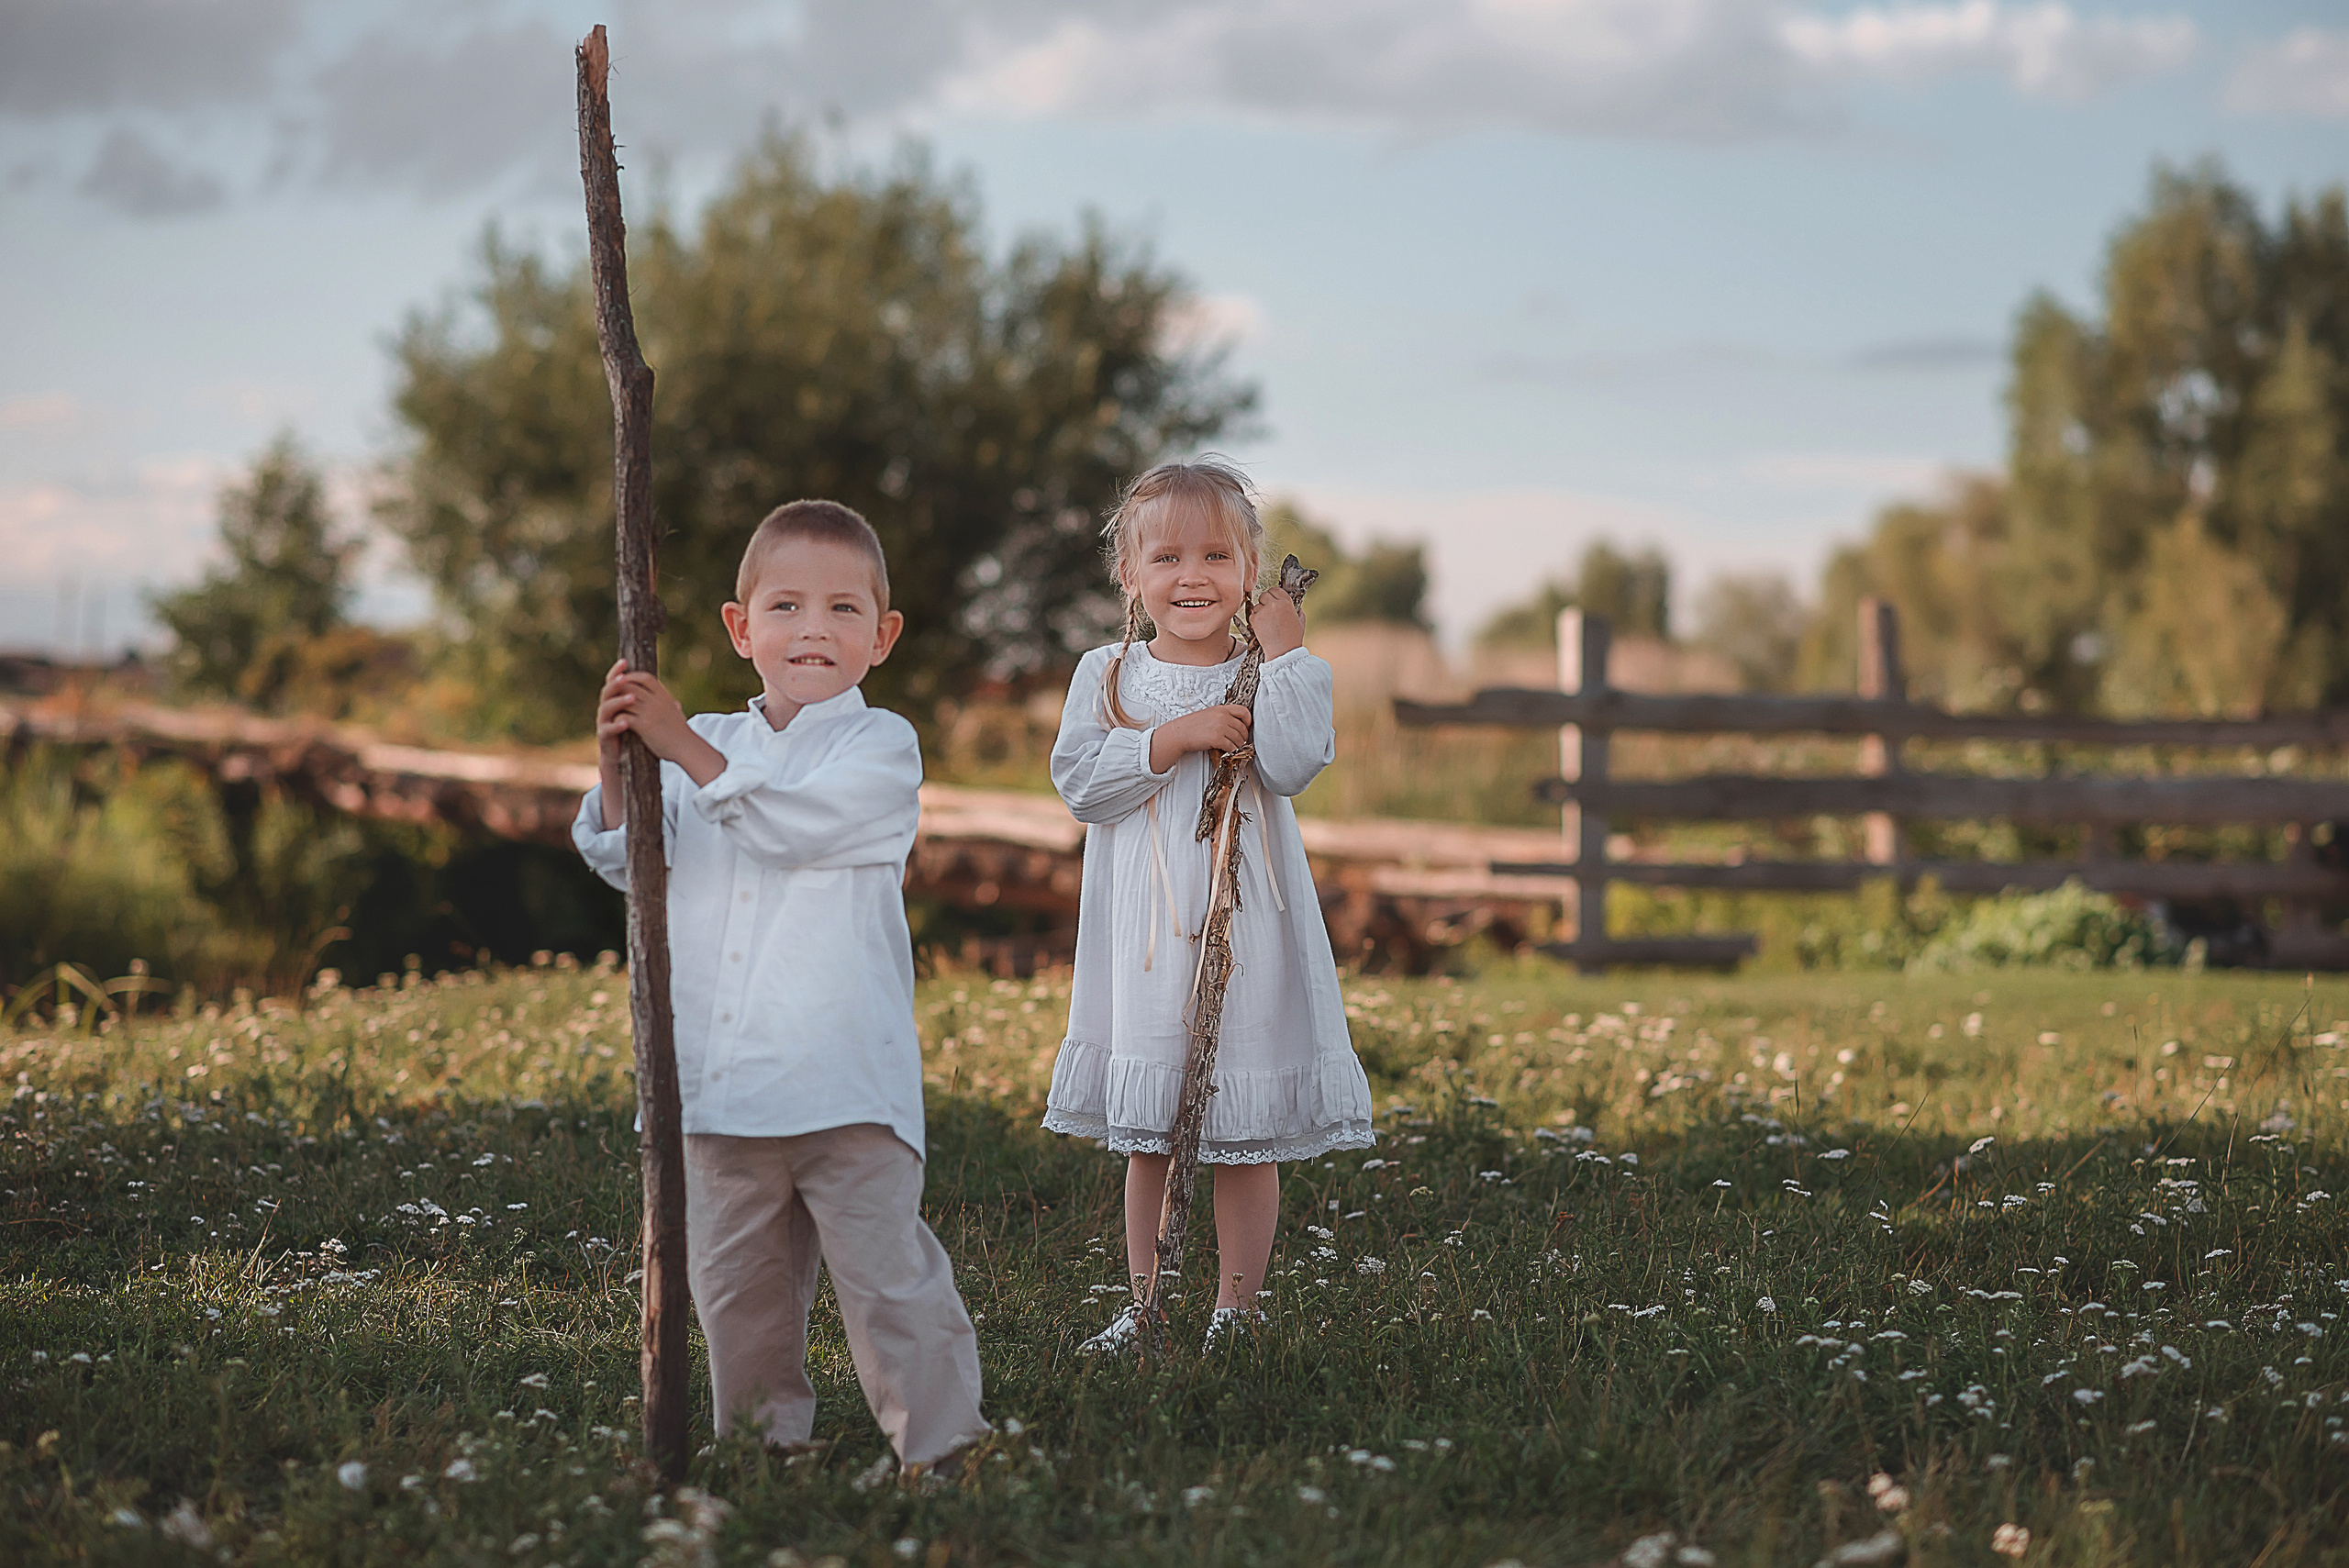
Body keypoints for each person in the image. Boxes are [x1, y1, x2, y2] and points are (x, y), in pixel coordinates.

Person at [573, 499, 986, 1472]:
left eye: (844, 609)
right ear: (739, 626)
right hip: (719, 1086)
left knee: (889, 1282)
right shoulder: (700, 736)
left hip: (847, 1079)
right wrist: (618, 757)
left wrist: (678, 746)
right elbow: (634, 863)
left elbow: (792, 826)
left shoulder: (878, 747)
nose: (813, 629)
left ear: (882, 636)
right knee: (736, 1288)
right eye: (788, 605)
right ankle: (763, 1448)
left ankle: (942, 1450)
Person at [1041, 457, 1375, 1352]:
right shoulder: (1107, 673)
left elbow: (1295, 763)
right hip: (1147, 945)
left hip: (1248, 932)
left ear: (1249, 571)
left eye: (1216, 556)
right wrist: (1174, 737)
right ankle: (1145, 1305)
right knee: (1152, 1132)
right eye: (1166, 558)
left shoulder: (1268, 671)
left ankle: (1235, 1311)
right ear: (1130, 575)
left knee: (1242, 1129)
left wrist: (1291, 650)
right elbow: (1080, 780)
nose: (1191, 576)